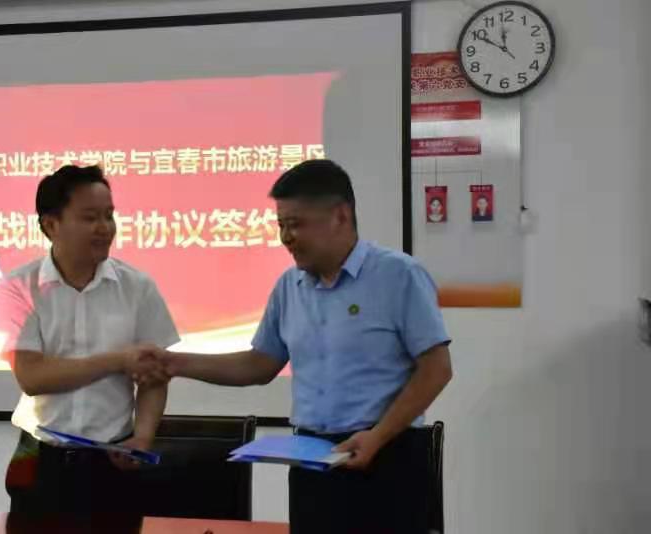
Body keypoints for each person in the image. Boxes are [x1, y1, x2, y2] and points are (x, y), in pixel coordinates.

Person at [144, 159, 452, 534]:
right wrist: (175, 364)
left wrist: (379, 436)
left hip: (388, 457)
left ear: (340, 216)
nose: (286, 237)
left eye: (296, 224)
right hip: (312, 462)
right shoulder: (289, 287)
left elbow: (437, 368)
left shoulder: (398, 275)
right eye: (281, 226)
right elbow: (260, 364)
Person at [0, 165, 178, 533]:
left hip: (112, 459)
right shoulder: (18, 288)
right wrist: (118, 360)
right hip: (39, 456)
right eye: (90, 217)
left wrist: (143, 435)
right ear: (51, 225)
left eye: (109, 215)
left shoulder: (137, 287)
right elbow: (32, 377)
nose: (105, 227)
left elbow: (154, 377)